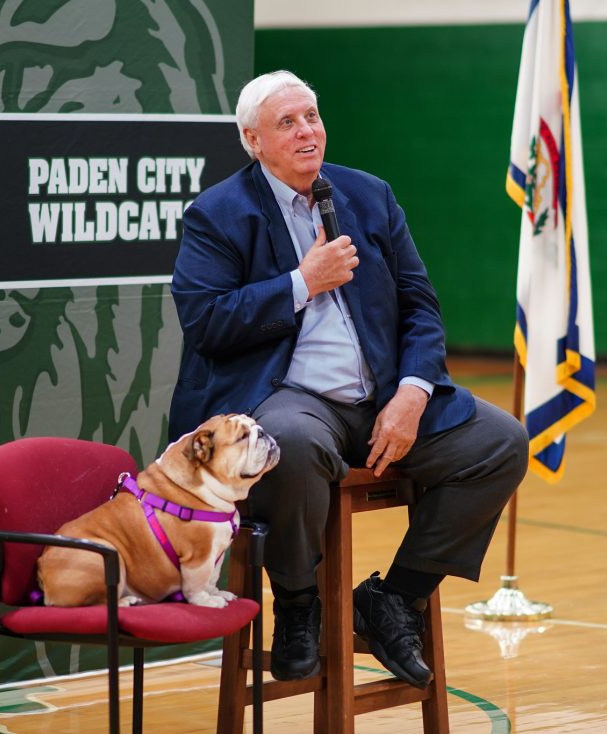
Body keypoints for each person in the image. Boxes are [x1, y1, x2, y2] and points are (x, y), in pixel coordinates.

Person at [168, 70, 528, 689]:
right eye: (288, 123)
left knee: (500, 442)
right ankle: (300, 603)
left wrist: (414, 390)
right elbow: (206, 322)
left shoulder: (367, 195)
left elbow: (419, 303)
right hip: (290, 398)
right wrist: (302, 282)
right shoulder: (218, 213)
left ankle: (394, 598)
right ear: (253, 141)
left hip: (382, 399)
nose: (308, 131)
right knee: (289, 443)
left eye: (312, 116)